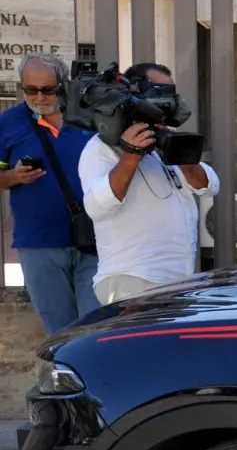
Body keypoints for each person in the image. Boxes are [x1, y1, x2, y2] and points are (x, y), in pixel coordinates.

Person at [78, 62, 220, 305]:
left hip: (177, 280)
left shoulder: (162, 140)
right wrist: (131, 154)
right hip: (131, 282)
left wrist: (182, 156)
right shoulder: (100, 148)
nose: (167, 102)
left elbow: (209, 185)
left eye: (171, 93)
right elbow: (96, 207)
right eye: (159, 93)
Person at [0, 53, 101, 333]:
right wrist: (12, 176)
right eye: (31, 89)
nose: (40, 97)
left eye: (48, 89)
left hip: (96, 240)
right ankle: (62, 377)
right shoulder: (8, 123)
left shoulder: (88, 118)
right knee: (60, 331)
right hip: (39, 245)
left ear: (63, 84)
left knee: (96, 326)